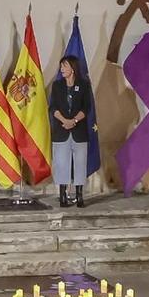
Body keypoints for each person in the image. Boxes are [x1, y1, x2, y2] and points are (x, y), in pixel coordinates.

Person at [49, 55, 94, 208]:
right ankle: (62, 196)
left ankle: (79, 195)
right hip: (61, 131)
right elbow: (53, 107)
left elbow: (86, 108)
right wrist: (65, 121)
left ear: (73, 69)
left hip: (79, 131)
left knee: (80, 163)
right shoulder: (57, 85)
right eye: (61, 66)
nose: (62, 69)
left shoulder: (84, 85)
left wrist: (74, 121)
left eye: (65, 66)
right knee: (61, 163)